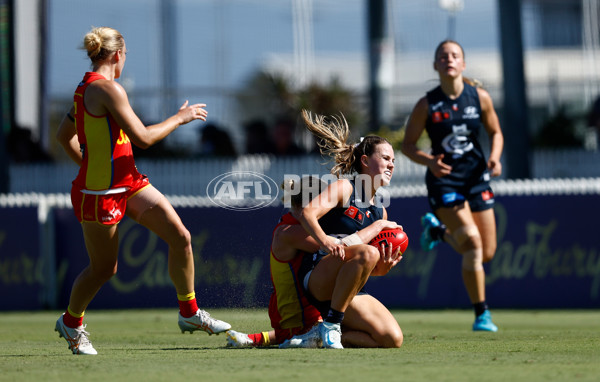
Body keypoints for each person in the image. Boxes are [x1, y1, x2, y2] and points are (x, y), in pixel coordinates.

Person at [54, 26, 231, 355]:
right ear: (118, 55)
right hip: (99, 194)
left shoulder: (87, 88)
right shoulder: (106, 89)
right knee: (104, 269)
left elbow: (65, 137)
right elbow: (144, 139)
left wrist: (90, 163)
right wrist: (180, 118)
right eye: (126, 56)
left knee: (181, 237)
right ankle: (71, 322)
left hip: (129, 182)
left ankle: (189, 313)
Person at [401, 40, 504, 332]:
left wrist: (494, 158)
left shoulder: (479, 97)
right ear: (435, 65)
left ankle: (438, 232)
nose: (449, 59)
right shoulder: (427, 104)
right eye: (443, 56)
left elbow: (496, 132)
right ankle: (482, 315)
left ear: (463, 63)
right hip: (444, 181)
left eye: (454, 55)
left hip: (476, 179)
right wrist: (429, 161)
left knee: (486, 253)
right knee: (472, 244)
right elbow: (408, 145)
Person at [226, 176, 400, 348]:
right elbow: (341, 248)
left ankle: (257, 339)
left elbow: (350, 264)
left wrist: (379, 269)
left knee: (388, 337)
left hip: (316, 312)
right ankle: (318, 334)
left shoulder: (301, 228)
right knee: (293, 333)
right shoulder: (289, 232)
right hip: (296, 316)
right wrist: (377, 226)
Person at [282, 110, 404, 349]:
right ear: (366, 161)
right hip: (319, 276)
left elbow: (365, 266)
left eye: (393, 161)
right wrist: (325, 242)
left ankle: (319, 334)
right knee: (369, 253)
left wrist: (382, 269)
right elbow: (308, 213)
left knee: (392, 339)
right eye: (386, 158)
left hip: (347, 290)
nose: (391, 164)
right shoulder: (344, 188)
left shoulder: (381, 212)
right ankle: (332, 325)